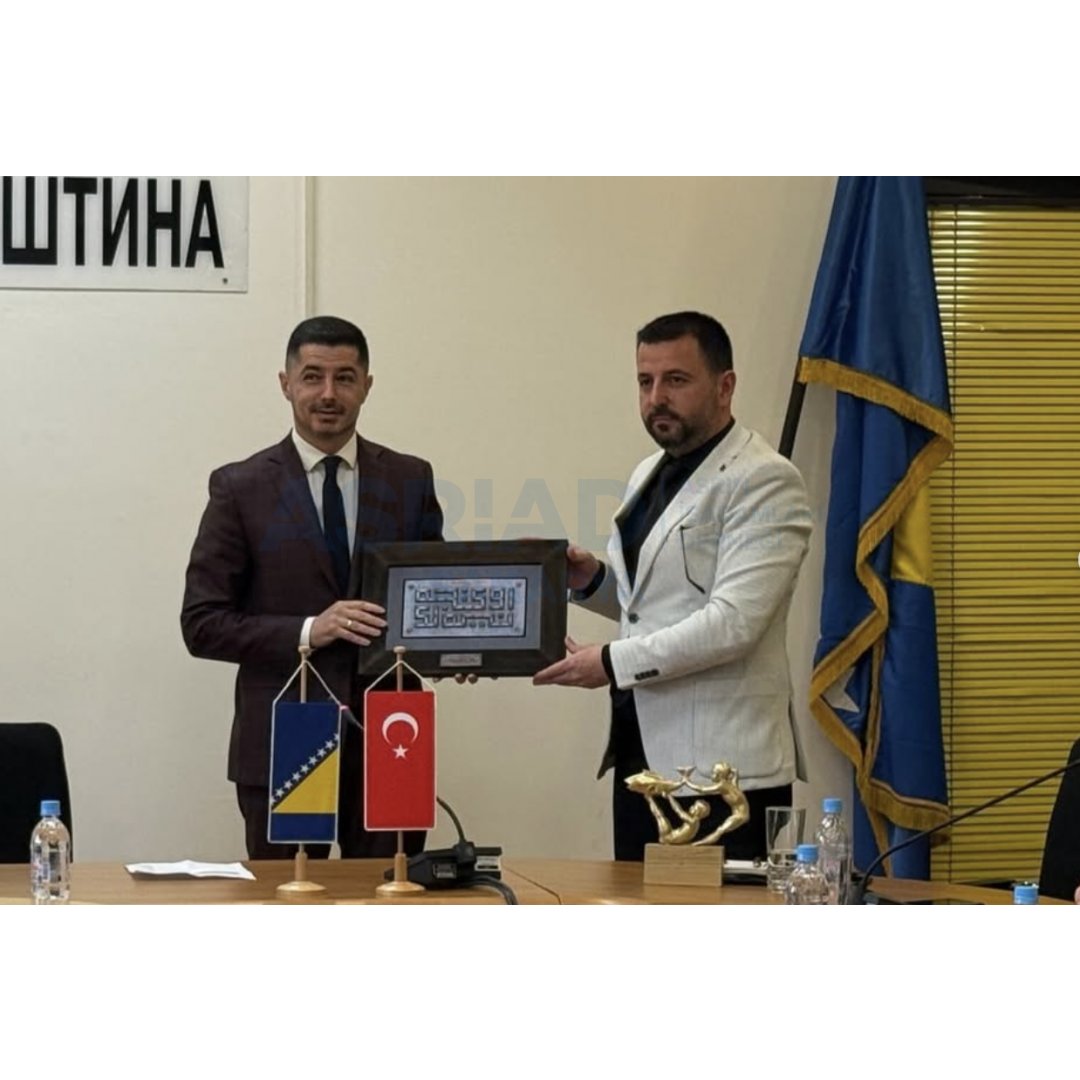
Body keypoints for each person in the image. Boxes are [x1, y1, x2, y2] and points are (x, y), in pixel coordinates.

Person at [533, 311, 812, 861]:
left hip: (722, 777)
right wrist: (593, 581)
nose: (656, 398)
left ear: (725, 386)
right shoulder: (649, 472)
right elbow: (657, 606)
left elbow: (733, 623)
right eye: (645, 381)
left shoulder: (765, 479)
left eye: (676, 380)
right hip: (643, 758)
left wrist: (610, 662)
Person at [181, 315, 444, 859]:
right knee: (289, 900)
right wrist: (309, 630)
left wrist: (457, 649)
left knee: (392, 896)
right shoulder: (240, 487)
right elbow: (202, 624)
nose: (328, 394)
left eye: (344, 378)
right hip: (285, 739)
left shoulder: (410, 479)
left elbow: (428, 600)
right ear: (286, 384)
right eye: (312, 377)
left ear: (367, 385)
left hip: (389, 741)